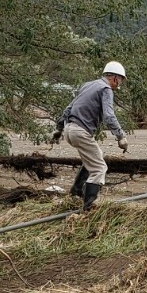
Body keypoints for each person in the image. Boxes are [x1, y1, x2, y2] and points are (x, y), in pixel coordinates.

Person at [51, 61, 128, 211]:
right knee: (99, 168)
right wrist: (121, 136)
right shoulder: (106, 89)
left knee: (92, 159)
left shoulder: (88, 85)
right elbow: (109, 116)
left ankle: (76, 191)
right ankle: (87, 208)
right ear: (115, 78)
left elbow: (68, 108)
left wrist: (59, 129)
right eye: (121, 80)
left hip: (69, 130)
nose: (120, 83)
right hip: (81, 131)